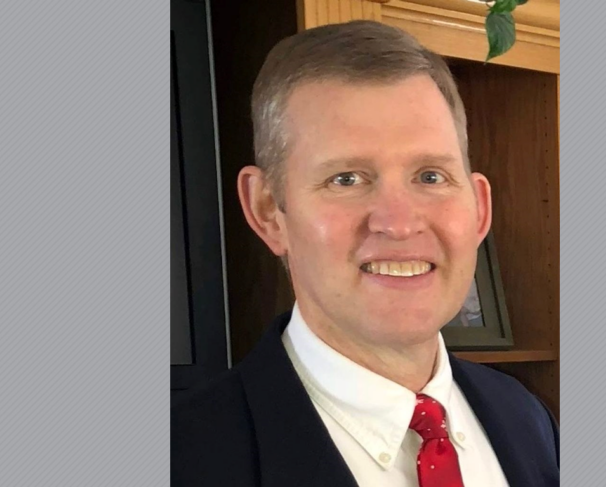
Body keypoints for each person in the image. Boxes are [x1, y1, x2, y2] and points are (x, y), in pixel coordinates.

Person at [171, 20, 559, 487]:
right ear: (269, 211)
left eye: (431, 176)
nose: (398, 223)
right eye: (347, 179)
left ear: (479, 208)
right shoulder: (181, 459)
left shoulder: (525, 417)